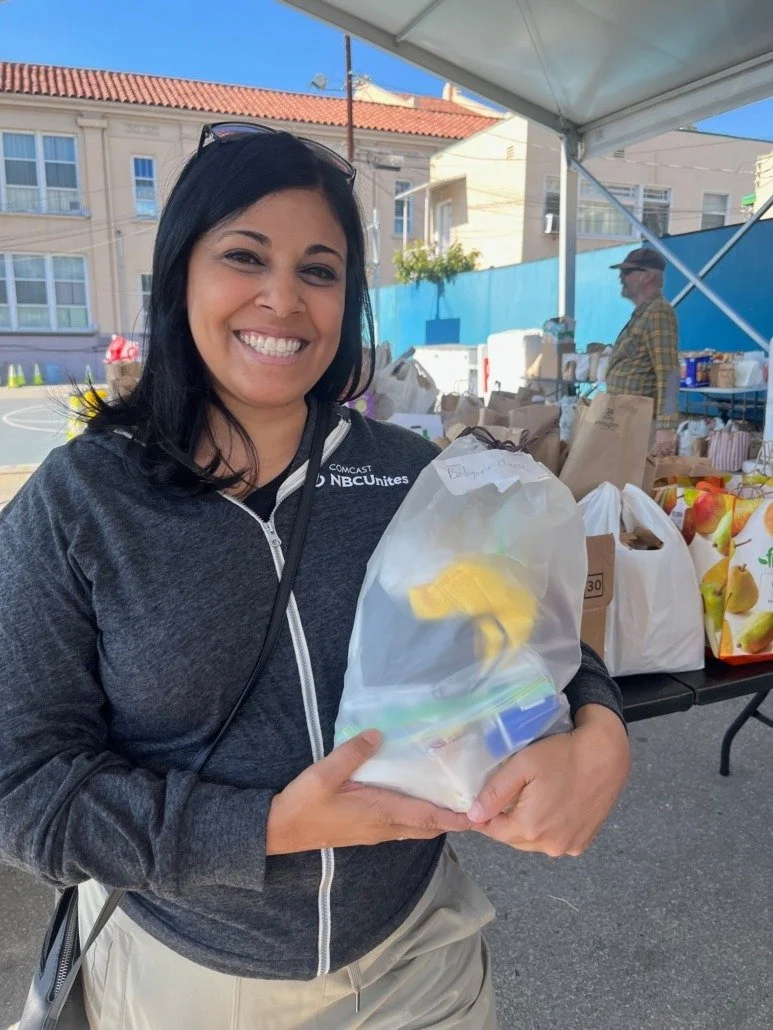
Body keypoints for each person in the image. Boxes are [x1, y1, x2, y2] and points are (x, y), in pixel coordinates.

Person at [0, 123, 630, 1029]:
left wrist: (600, 731)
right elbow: (28, 793)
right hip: (193, 979)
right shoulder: (84, 502)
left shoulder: (417, 476)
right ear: (181, 276)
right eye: (244, 257)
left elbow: (526, 634)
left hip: (419, 957)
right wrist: (269, 829)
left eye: (320, 270)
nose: (282, 298)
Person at [605, 247, 681, 456]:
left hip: (639, 420)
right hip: (627, 417)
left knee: (634, 483)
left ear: (649, 277)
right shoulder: (644, 313)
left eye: (628, 272)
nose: (622, 277)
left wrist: (665, 427)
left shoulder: (658, 312)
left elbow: (669, 371)